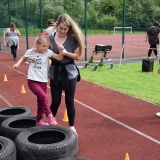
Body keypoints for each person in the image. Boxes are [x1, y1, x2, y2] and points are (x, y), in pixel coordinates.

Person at [13, 36, 64, 126]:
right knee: (44, 97)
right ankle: (50, 116)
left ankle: (39, 120)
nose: (45, 48)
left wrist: (61, 50)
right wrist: (18, 63)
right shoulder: (30, 52)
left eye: (47, 46)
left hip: (43, 81)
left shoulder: (48, 52)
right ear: (37, 44)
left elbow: (59, 58)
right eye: (43, 46)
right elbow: (24, 58)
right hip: (32, 80)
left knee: (40, 101)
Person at [47, 13, 85, 136]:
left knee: (69, 101)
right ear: (57, 25)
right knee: (56, 101)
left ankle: (72, 126)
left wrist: (66, 52)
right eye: (61, 28)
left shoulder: (73, 38)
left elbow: (78, 56)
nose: (63, 31)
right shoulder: (49, 38)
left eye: (65, 29)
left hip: (69, 72)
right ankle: (50, 123)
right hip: (55, 72)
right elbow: (45, 54)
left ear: (69, 29)